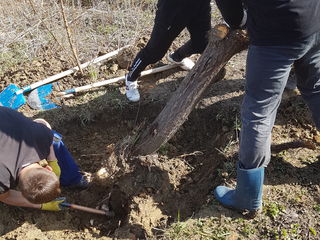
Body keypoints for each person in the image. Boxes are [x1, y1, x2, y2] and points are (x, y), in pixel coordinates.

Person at [213, 0, 320, 215]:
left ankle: (247, 195)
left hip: (275, 35)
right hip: (313, 20)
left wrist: (244, 21)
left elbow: (233, 14)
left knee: (258, 110)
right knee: (316, 88)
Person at [0, 106, 88, 211]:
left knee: (54, 139)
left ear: (48, 168)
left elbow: (42, 122)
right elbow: (5, 197)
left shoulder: (41, 137)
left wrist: (53, 159)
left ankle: (73, 179)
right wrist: (42, 206)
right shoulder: (2, 179)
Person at [125, 0, 212, 102]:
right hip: (173, 7)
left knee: (202, 43)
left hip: (200, 4)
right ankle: (131, 77)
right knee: (154, 52)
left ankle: (176, 57)